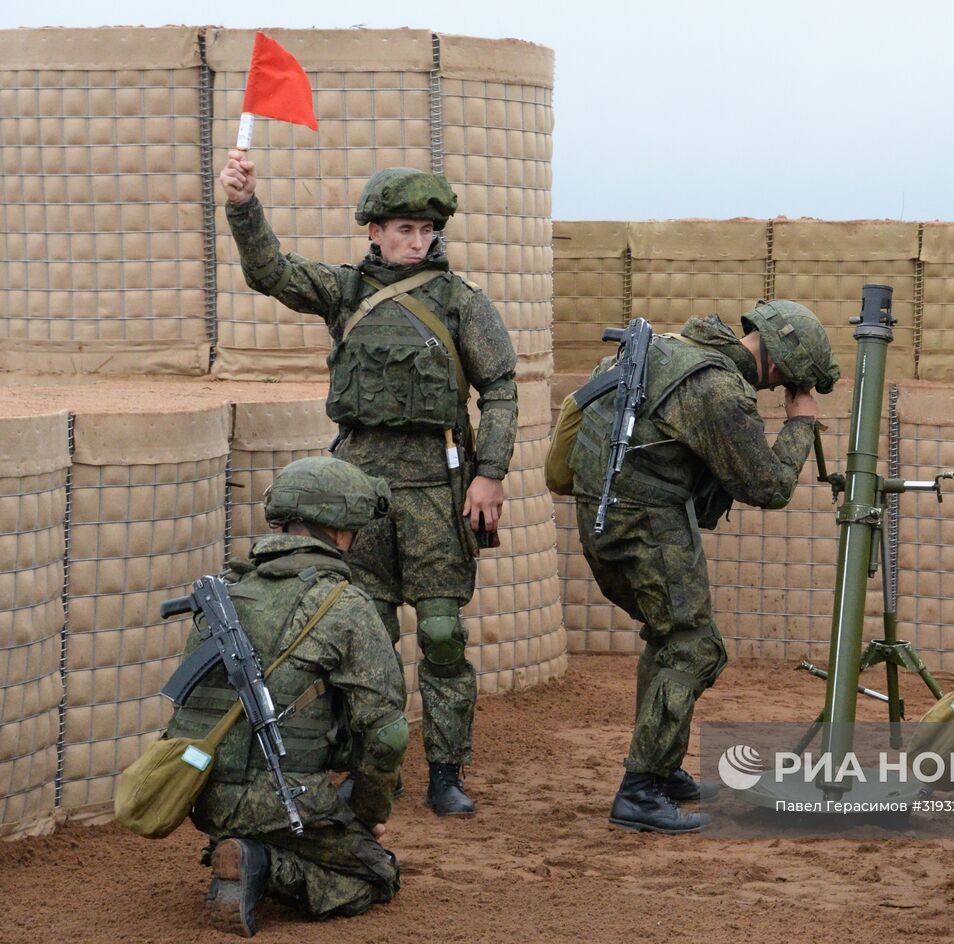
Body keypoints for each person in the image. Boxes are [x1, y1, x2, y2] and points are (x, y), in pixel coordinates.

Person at [219, 153, 519, 816]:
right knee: (369, 637)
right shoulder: (346, 291)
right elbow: (270, 271)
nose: (417, 242)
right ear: (374, 232)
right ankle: (373, 768)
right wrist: (244, 207)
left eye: (426, 231)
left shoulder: (463, 303)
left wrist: (490, 474)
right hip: (359, 490)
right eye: (404, 229)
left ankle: (446, 770)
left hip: (439, 487)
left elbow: (499, 388)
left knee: (442, 634)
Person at [555, 301, 840, 833]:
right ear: (780, 369)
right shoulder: (719, 391)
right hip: (642, 522)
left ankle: (659, 771)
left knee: (671, 639)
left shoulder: (671, 348)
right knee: (694, 646)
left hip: (605, 512)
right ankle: (639, 790)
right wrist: (800, 424)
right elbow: (769, 487)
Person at [164, 457, 406, 937]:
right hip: (288, 802)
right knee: (376, 874)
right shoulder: (345, 605)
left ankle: (233, 846)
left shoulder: (228, 591)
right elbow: (387, 732)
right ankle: (262, 863)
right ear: (339, 532)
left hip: (202, 793)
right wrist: (369, 812)